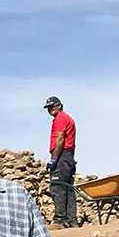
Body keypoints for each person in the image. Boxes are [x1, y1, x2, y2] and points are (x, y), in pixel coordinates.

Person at [44, 97, 78, 228]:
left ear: (60, 105)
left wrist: (53, 159)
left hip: (62, 155)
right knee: (68, 188)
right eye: (48, 108)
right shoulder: (67, 118)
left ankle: (60, 220)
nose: (50, 109)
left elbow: (60, 139)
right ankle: (72, 220)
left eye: (52, 106)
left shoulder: (60, 119)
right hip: (68, 156)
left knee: (57, 186)